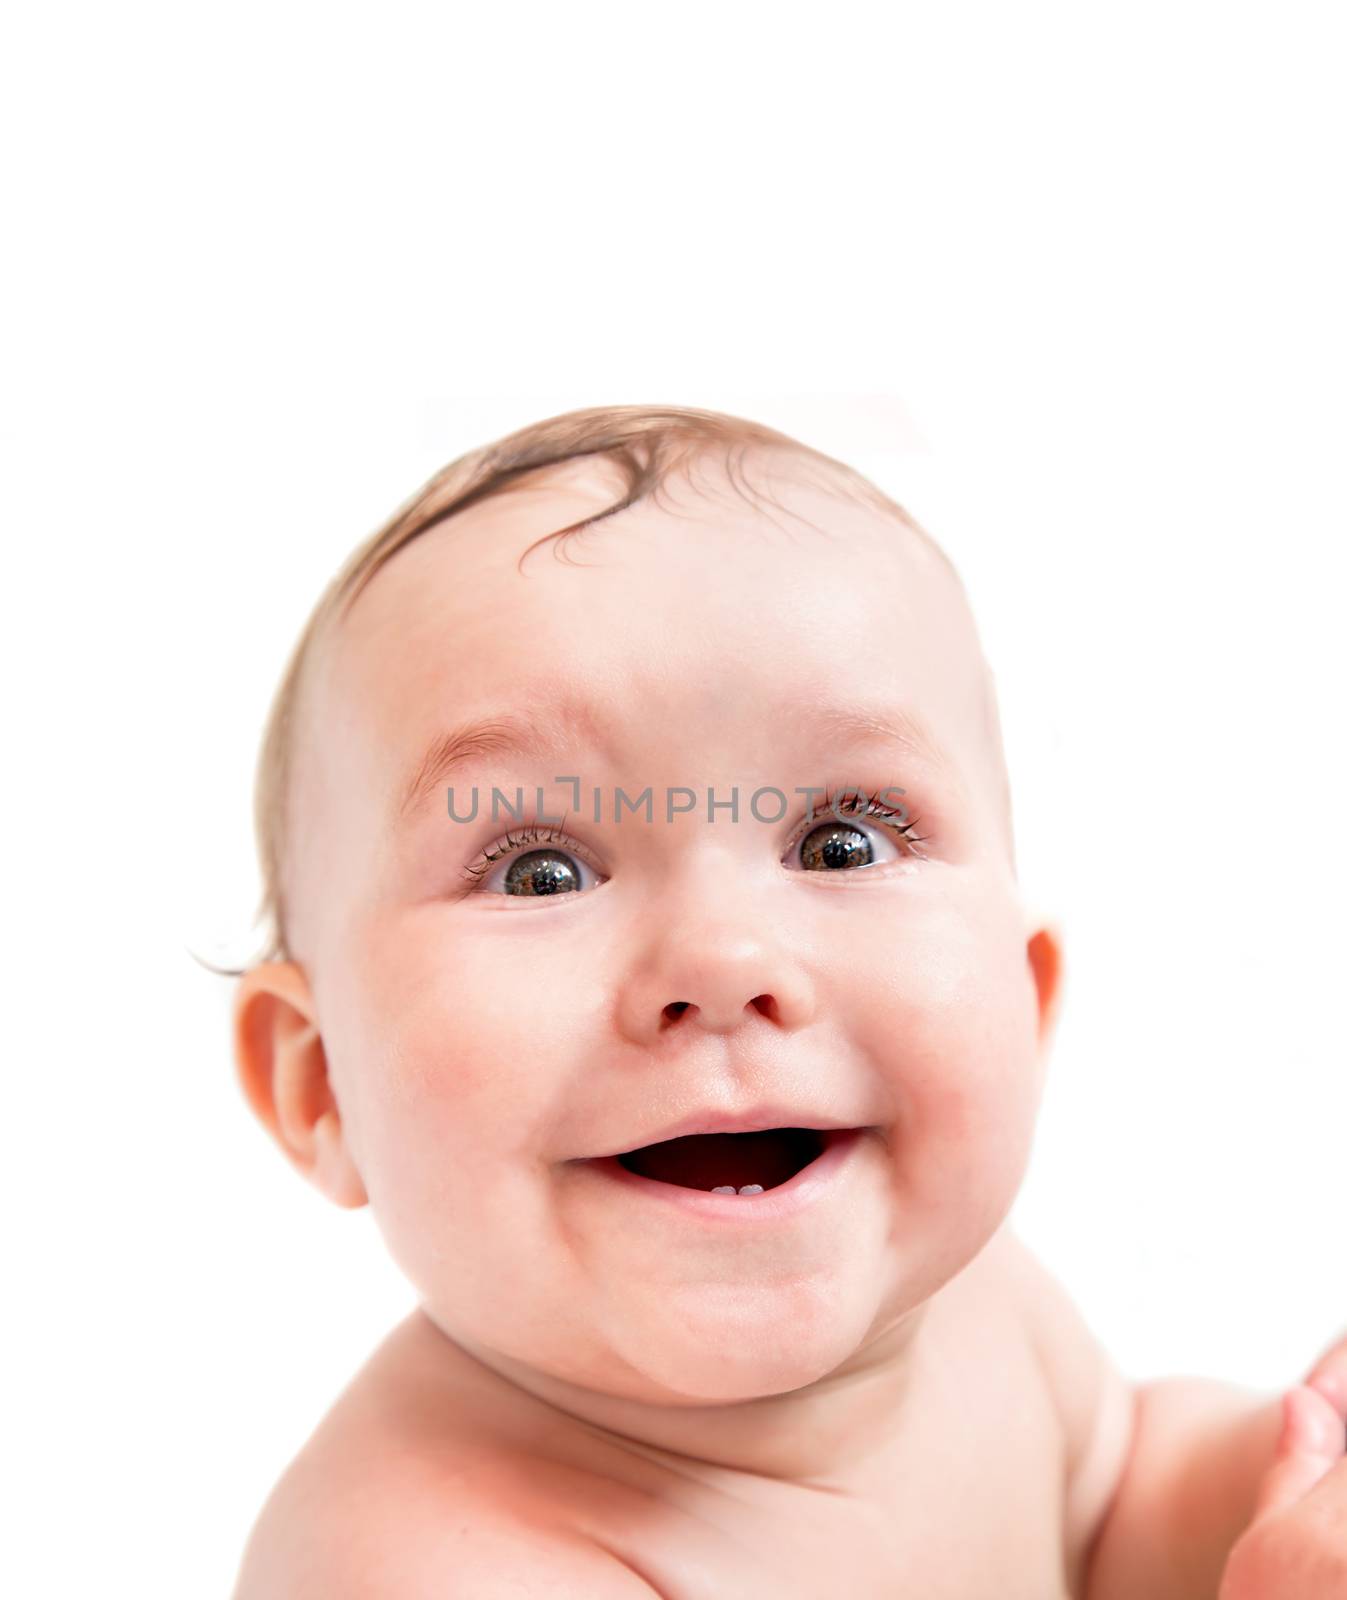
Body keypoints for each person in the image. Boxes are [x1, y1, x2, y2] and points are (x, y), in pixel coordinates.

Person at [226, 404, 1347, 1597]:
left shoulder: (980, 1307)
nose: (721, 957)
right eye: (539, 869)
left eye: (844, 843)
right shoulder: (420, 1561)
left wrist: (1289, 1482)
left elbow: (1120, 1503)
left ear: (1024, 1003)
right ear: (321, 1082)